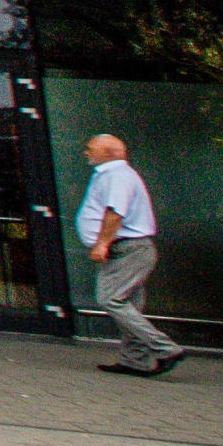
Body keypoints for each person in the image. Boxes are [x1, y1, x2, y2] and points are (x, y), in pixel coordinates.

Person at [78, 133, 184, 376]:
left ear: (109, 152)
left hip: (127, 249)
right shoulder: (112, 175)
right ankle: (134, 359)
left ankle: (166, 349)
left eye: (90, 148)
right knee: (130, 305)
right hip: (129, 249)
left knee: (110, 299)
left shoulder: (117, 176)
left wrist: (101, 244)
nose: (86, 152)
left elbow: (116, 212)